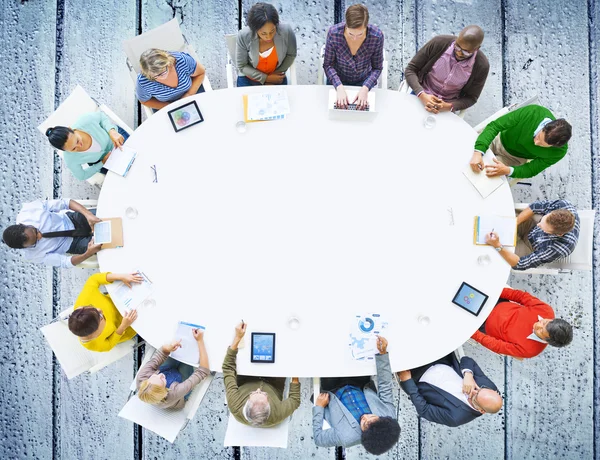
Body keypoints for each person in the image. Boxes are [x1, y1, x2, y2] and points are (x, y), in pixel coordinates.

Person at [312, 336, 400, 455]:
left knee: (327, 352)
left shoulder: (345, 438)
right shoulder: (388, 416)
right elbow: (385, 385)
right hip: (360, 383)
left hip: (333, 390)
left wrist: (319, 407)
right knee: (353, 344)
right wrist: (383, 354)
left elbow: (318, 438)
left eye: (364, 424)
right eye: (372, 417)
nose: (365, 417)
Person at [222, 322, 300, 427]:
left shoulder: (235, 405)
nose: (260, 390)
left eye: (254, 393)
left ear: (247, 402)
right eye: (264, 395)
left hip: (246, 376)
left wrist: (237, 337)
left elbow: (228, 368)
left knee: (252, 336)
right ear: (269, 407)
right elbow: (295, 400)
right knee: (284, 340)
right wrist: (294, 372)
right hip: (275, 379)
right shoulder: (277, 415)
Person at [398, 352, 503, 427]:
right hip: (440, 356)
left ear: (481, 410)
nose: (474, 391)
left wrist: (407, 380)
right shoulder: (489, 389)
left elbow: (424, 410)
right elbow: (468, 361)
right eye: (479, 390)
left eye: (475, 396)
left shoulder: (455, 417)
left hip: (416, 373)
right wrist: (468, 374)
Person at [469, 105, 572, 179]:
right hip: (497, 138)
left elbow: (531, 169)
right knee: (468, 153)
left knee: (482, 176)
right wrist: (478, 151)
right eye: (538, 137)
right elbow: (495, 126)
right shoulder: (532, 112)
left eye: (541, 145)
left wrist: (508, 170)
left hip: (514, 159)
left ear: (554, 146)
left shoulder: (559, 152)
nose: (535, 143)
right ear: (545, 126)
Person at [404, 25, 489, 113]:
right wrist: (421, 94)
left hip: (447, 106)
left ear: (477, 49)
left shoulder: (481, 65)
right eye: (457, 47)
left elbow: (471, 98)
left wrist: (449, 106)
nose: (459, 53)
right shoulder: (438, 43)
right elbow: (411, 69)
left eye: (465, 52)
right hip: (421, 94)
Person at [472, 287, 573, 359]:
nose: (538, 325)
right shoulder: (546, 310)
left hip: (481, 324)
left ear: (547, 340)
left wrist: (473, 333)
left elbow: (497, 346)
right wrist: (494, 291)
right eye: (544, 322)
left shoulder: (530, 350)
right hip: (496, 301)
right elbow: (519, 296)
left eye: (541, 331)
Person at [2, 198, 102, 268]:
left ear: (23, 224)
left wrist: (88, 215)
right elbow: (65, 263)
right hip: (73, 244)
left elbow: (65, 202)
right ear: (25, 248)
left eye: (36, 231)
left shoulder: (29, 211)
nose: (40, 236)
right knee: (107, 241)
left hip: (73, 220)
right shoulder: (33, 255)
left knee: (107, 217)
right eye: (36, 241)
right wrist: (88, 254)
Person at [486, 199, 579, 271]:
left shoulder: (558, 249)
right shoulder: (563, 205)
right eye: (543, 219)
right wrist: (513, 224)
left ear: (559, 234)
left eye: (543, 228)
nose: (539, 225)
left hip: (530, 247)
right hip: (530, 223)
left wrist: (498, 246)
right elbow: (535, 206)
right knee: (497, 214)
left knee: (493, 255)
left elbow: (520, 264)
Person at [324, 4, 384, 109]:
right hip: (337, 80)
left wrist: (365, 88)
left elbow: (377, 68)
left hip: (365, 81)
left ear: (366, 27)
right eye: (351, 34)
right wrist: (338, 87)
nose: (355, 39)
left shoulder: (376, 36)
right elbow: (328, 65)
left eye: (360, 34)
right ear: (346, 25)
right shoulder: (333, 33)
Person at [136, 330, 211, 409]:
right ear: (165, 391)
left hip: (167, 380)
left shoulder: (142, 377)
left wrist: (168, 348)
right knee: (189, 358)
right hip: (178, 392)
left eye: (154, 376)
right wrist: (200, 341)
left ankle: (163, 379)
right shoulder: (174, 393)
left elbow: (161, 353)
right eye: (161, 380)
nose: (161, 375)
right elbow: (203, 371)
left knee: (179, 351)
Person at [68, 272, 142, 352]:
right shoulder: (94, 344)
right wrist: (123, 326)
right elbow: (109, 344)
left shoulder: (84, 299)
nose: (100, 310)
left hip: (124, 298)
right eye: (100, 316)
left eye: (94, 308)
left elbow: (94, 279)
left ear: (81, 307)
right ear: (96, 334)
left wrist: (120, 276)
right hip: (132, 324)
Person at [45, 112, 129, 181]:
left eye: (77, 140)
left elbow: (101, 116)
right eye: (74, 148)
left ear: (71, 129)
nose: (79, 145)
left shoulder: (85, 121)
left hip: (116, 137)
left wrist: (111, 131)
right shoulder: (70, 159)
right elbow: (81, 176)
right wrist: (101, 163)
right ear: (65, 150)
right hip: (105, 161)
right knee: (126, 179)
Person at [235, 2, 297, 87]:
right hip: (249, 80)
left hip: (276, 78)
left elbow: (291, 54)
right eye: (263, 33)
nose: (269, 37)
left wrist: (275, 76)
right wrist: (266, 78)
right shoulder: (244, 36)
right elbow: (242, 66)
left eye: (272, 31)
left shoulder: (286, 31)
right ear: (255, 29)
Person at [136, 48, 206, 111]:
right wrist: (169, 106)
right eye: (156, 76)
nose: (161, 77)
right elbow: (144, 100)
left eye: (163, 72)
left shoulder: (181, 60)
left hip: (193, 92)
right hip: (166, 106)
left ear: (168, 63)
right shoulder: (143, 81)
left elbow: (201, 73)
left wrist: (189, 94)